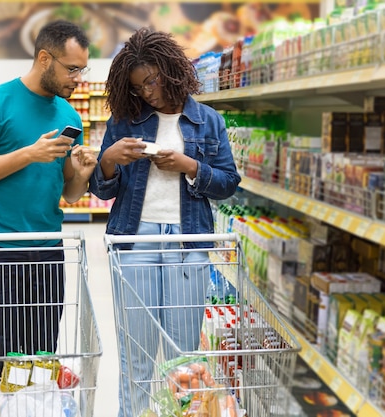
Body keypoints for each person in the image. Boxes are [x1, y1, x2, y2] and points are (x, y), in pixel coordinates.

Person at [88, 28, 241, 416]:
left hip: (188, 242)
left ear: (172, 70)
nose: (147, 93)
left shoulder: (207, 121)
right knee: (136, 353)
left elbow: (227, 184)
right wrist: (108, 161)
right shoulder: (125, 121)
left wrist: (189, 166)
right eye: (139, 87)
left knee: (183, 356)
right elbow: (103, 190)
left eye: (152, 81)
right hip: (134, 241)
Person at [0, 20, 97, 376]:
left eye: (82, 69)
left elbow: (69, 193)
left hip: (48, 250)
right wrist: (28, 154)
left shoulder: (69, 115)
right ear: (45, 58)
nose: (77, 78)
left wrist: (81, 175)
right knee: (5, 356)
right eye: (72, 68)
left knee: (42, 353)